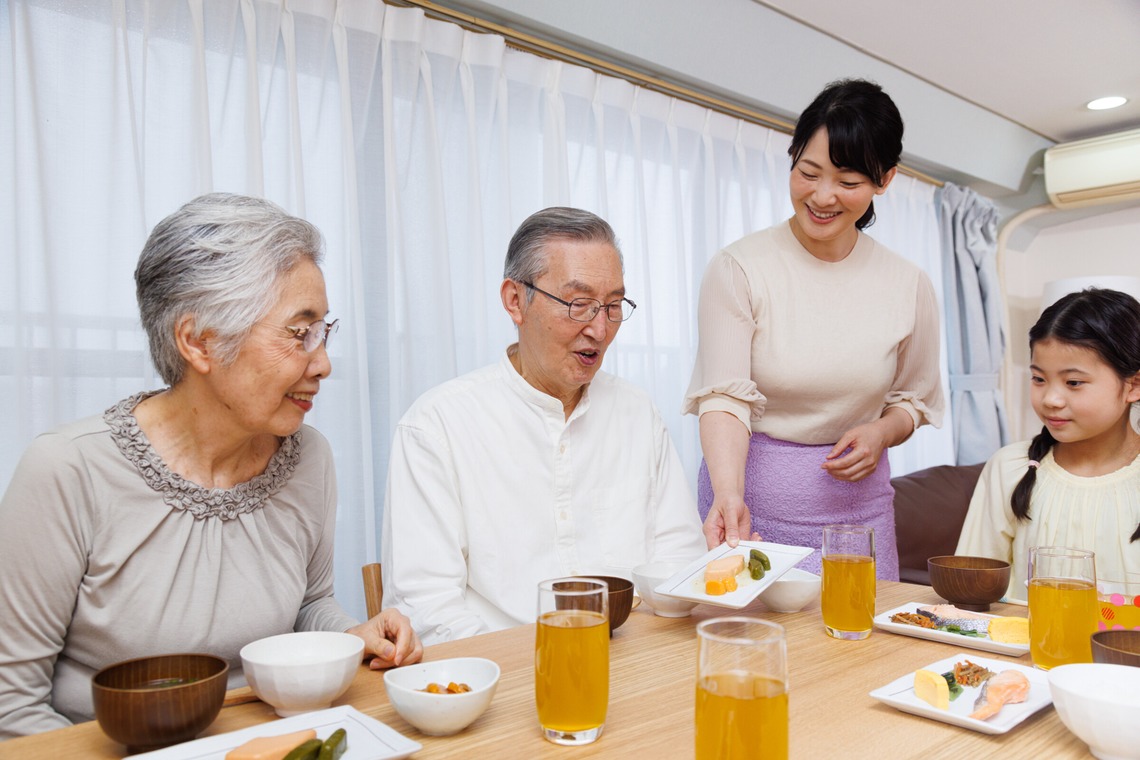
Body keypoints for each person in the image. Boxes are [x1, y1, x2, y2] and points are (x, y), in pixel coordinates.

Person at [0, 193, 421, 738]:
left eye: (324, 331)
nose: (322, 362)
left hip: (270, 741)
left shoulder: (307, 457)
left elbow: (308, 605)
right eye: (299, 333)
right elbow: (11, 705)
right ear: (198, 341)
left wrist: (352, 633)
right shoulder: (66, 471)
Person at [381, 207, 705, 644]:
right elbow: (426, 609)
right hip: (504, 674)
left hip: (633, 661)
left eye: (612, 306)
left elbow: (678, 561)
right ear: (515, 300)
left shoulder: (637, 412)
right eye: (579, 304)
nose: (599, 328)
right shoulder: (437, 425)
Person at [683, 79, 945, 580]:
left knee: (862, 647)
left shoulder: (907, 284)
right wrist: (729, 496)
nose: (823, 196)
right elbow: (724, 398)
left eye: (848, 183)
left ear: (884, 180)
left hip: (857, 514)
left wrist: (882, 432)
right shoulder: (740, 267)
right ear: (792, 158)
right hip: (748, 511)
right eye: (808, 172)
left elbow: (914, 399)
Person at [956, 288, 1140, 601]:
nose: (1051, 399)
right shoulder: (1010, 467)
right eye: (1039, 379)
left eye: (1073, 383)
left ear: (1133, 385)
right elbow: (970, 591)